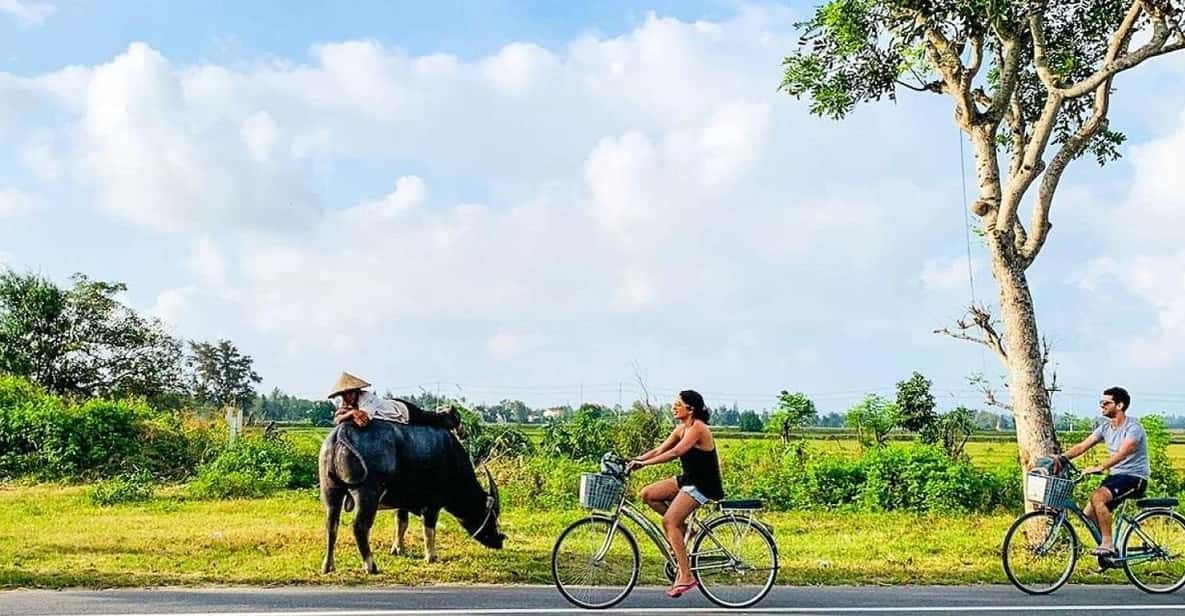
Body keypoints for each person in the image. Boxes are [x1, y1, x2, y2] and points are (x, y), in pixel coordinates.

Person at [626, 389, 724, 598]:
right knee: (648, 494)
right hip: (688, 480)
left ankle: (686, 575)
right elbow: (659, 450)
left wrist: (643, 465)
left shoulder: (698, 428)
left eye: (677, 404)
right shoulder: (682, 428)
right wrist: (635, 460)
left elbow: (675, 453)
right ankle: (688, 531)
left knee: (670, 522)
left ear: (690, 409)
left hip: (703, 485)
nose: (673, 407)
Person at [1054, 386, 1150, 557]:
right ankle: (1110, 554)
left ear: (1119, 405)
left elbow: (1125, 451)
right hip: (1116, 477)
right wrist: (1062, 458)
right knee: (1088, 514)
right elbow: (1083, 446)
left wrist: (1101, 467)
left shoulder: (1133, 427)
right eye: (1101, 402)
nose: (1102, 406)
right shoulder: (1105, 428)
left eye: (1106, 402)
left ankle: (1107, 543)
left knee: (1098, 497)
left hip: (1134, 478)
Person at [328, 372, 461, 432]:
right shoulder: (346, 404)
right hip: (389, 405)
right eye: (343, 395)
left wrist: (349, 414)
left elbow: (364, 420)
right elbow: (338, 419)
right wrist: (351, 413)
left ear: (356, 391)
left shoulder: (367, 398)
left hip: (401, 410)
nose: (347, 398)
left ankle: (451, 418)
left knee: (427, 418)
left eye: (349, 393)